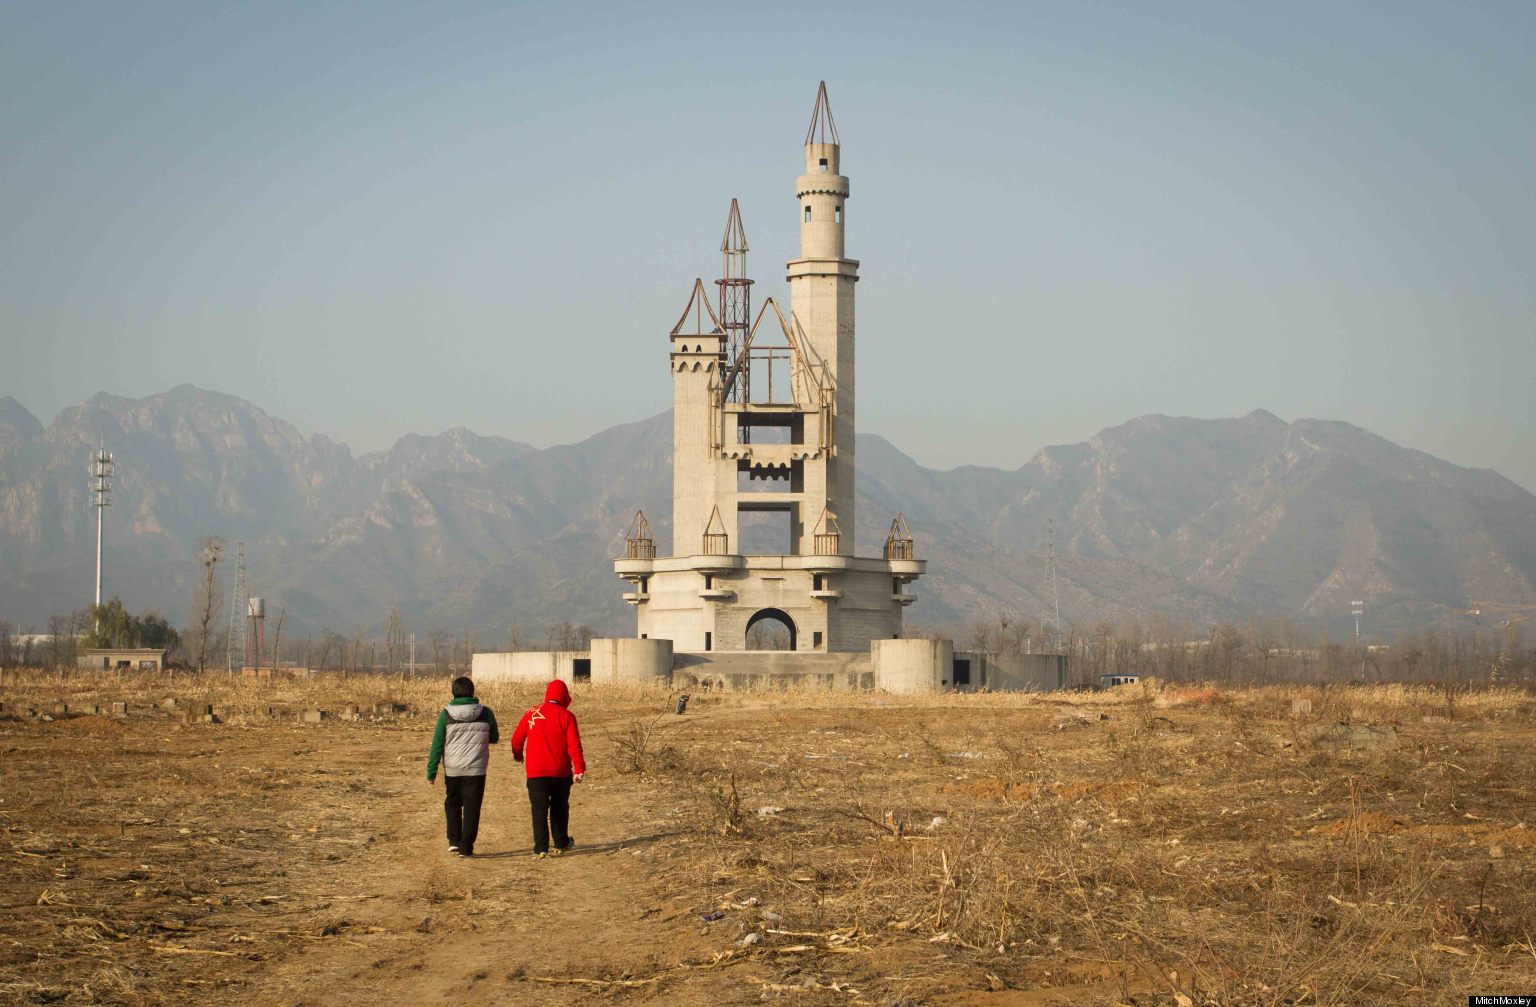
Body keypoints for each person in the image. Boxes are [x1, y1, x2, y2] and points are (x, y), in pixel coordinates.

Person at [510, 679, 586, 859]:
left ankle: (541, 848)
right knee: (560, 808)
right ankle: (560, 843)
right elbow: (574, 746)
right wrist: (579, 768)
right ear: (564, 695)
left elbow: (516, 740)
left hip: (536, 773)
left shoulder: (532, 713)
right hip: (561, 772)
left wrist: (518, 756)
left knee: (539, 810)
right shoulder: (567, 716)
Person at [426, 676, 499, 858]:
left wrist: (431, 772)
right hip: (476, 769)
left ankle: (454, 841)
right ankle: (466, 847)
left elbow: (437, 744)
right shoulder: (486, 712)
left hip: (452, 769)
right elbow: (494, 737)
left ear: (454, 691)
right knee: (472, 807)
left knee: (452, 802)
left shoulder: (446, 714)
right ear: (472, 691)